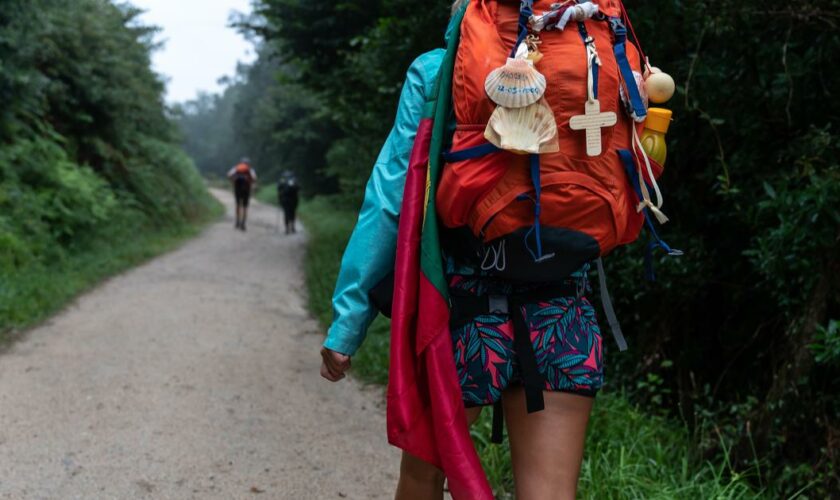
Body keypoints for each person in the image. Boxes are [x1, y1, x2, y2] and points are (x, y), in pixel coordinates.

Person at [321, 1, 663, 498]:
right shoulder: (601, 57)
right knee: (548, 492)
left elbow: (390, 197)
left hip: (462, 312)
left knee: (423, 478)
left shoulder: (437, 72)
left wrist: (348, 321)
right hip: (562, 305)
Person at [227, 158, 257, 231]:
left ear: (241, 162)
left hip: (237, 189)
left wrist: (233, 181)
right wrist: (251, 183)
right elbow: (254, 178)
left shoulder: (236, 168)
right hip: (246, 190)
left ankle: (237, 221)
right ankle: (243, 223)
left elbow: (229, 175)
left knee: (238, 205)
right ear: (248, 163)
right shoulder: (250, 170)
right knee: (245, 207)